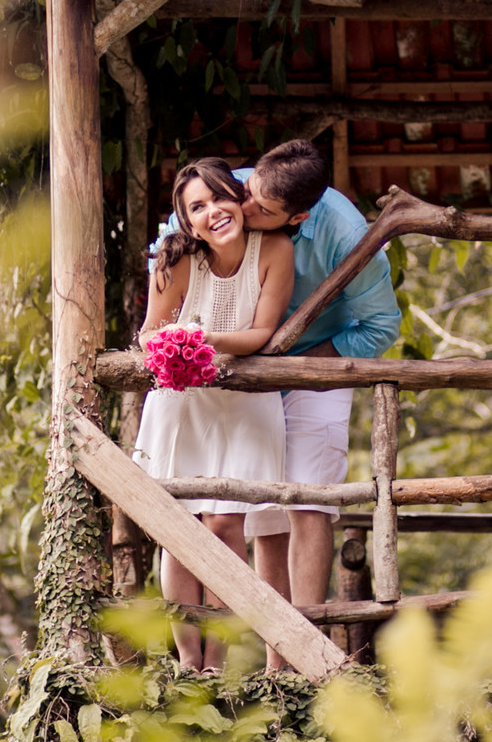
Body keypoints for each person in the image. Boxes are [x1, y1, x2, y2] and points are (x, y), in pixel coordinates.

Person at [152, 140, 401, 669]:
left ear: (300, 216)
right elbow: (173, 234)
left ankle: (299, 657)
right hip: (231, 371)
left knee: (306, 500)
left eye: (261, 211)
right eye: (248, 196)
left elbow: (381, 327)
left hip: (316, 365)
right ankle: (256, 660)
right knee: (255, 511)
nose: (244, 210)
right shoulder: (234, 190)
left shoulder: (346, 235)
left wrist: (303, 364)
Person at [132, 157, 295, 672]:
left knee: (226, 522)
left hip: (246, 405)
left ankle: (216, 662)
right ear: (186, 220)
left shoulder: (275, 249)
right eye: (196, 207)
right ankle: (187, 661)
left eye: (220, 198)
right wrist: (172, 347)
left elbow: (262, 333)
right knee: (180, 529)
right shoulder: (177, 259)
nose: (213, 213)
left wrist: (202, 340)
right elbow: (147, 334)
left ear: (239, 196)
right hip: (185, 405)